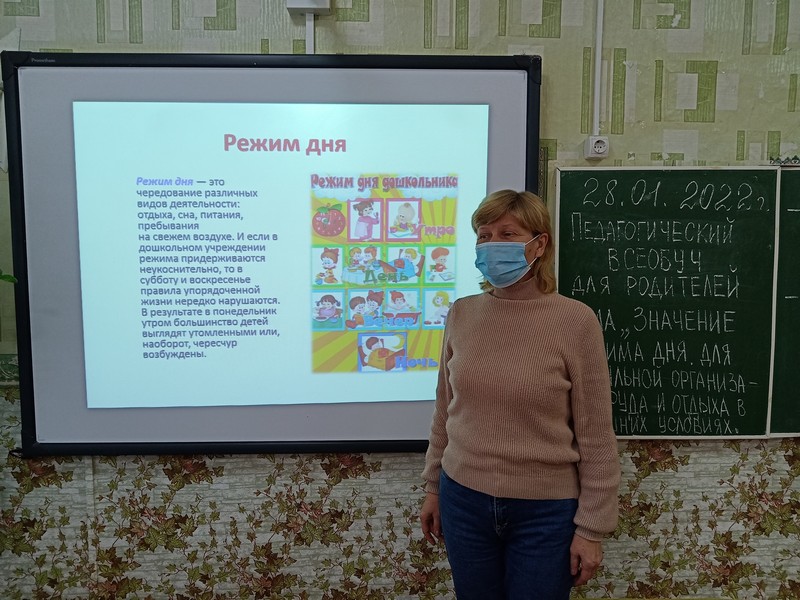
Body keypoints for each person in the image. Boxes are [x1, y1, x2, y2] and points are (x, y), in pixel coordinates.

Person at [420, 189, 620, 600]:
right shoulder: (461, 313)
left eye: (507, 234)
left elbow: (596, 434)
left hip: (545, 512)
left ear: (539, 244)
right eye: (484, 235)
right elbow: (445, 409)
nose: (492, 244)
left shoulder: (576, 321)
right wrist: (433, 487)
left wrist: (592, 529)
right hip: (463, 500)